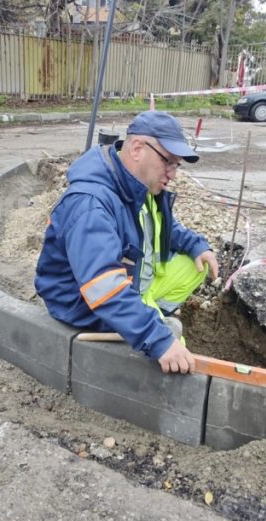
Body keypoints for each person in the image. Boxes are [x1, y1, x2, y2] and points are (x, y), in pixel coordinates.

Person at [35, 111, 219, 374]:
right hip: (84, 305)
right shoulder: (91, 204)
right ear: (137, 148)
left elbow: (163, 226)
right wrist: (159, 339)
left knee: (194, 267)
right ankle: (148, 319)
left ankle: (150, 311)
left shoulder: (137, 185)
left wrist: (196, 245)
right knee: (172, 340)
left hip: (131, 281)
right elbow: (103, 287)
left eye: (176, 165)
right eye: (168, 161)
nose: (173, 174)